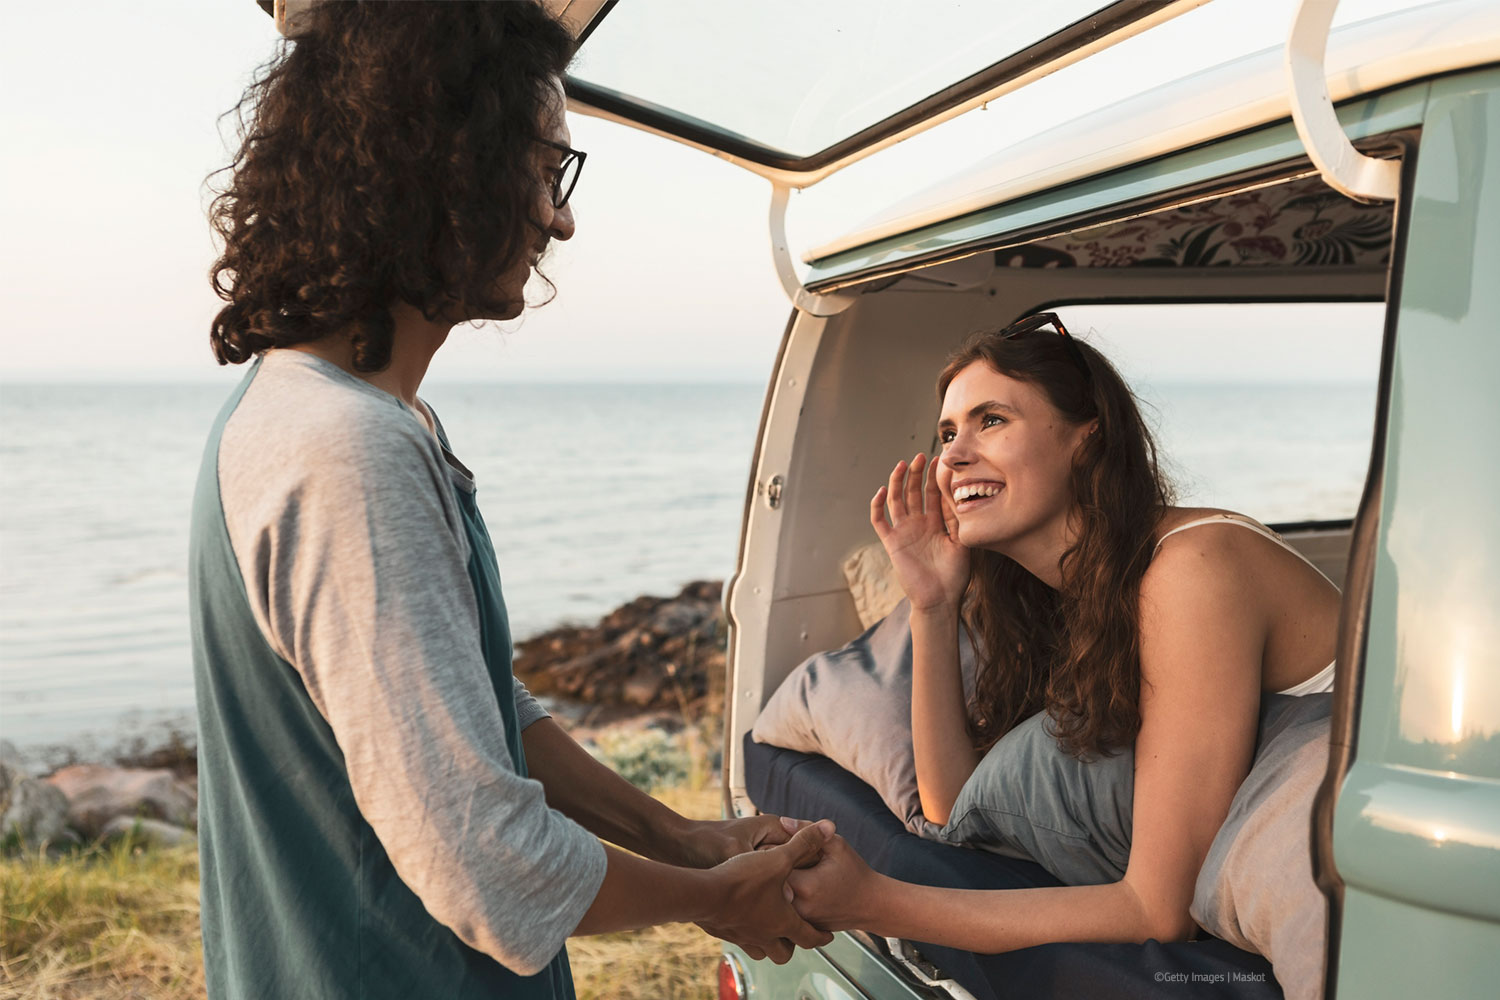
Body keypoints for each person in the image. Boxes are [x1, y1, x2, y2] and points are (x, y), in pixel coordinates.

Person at [189, 4, 831, 998]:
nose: (560, 215)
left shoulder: (330, 413)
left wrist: (685, 836)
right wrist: (716, 897)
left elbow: (485, 705)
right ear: (442, 163)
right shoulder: (347, 452)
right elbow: (487, 865)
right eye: (542, 169)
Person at [784, 313, 1339, 950]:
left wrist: (875, 902)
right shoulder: (1067, 595)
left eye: (991, 420)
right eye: (947, 432)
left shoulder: (1192, 568)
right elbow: (949, 807)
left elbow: (1158, 910)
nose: (954, 455)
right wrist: (932, 606)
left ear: (1086, 439)